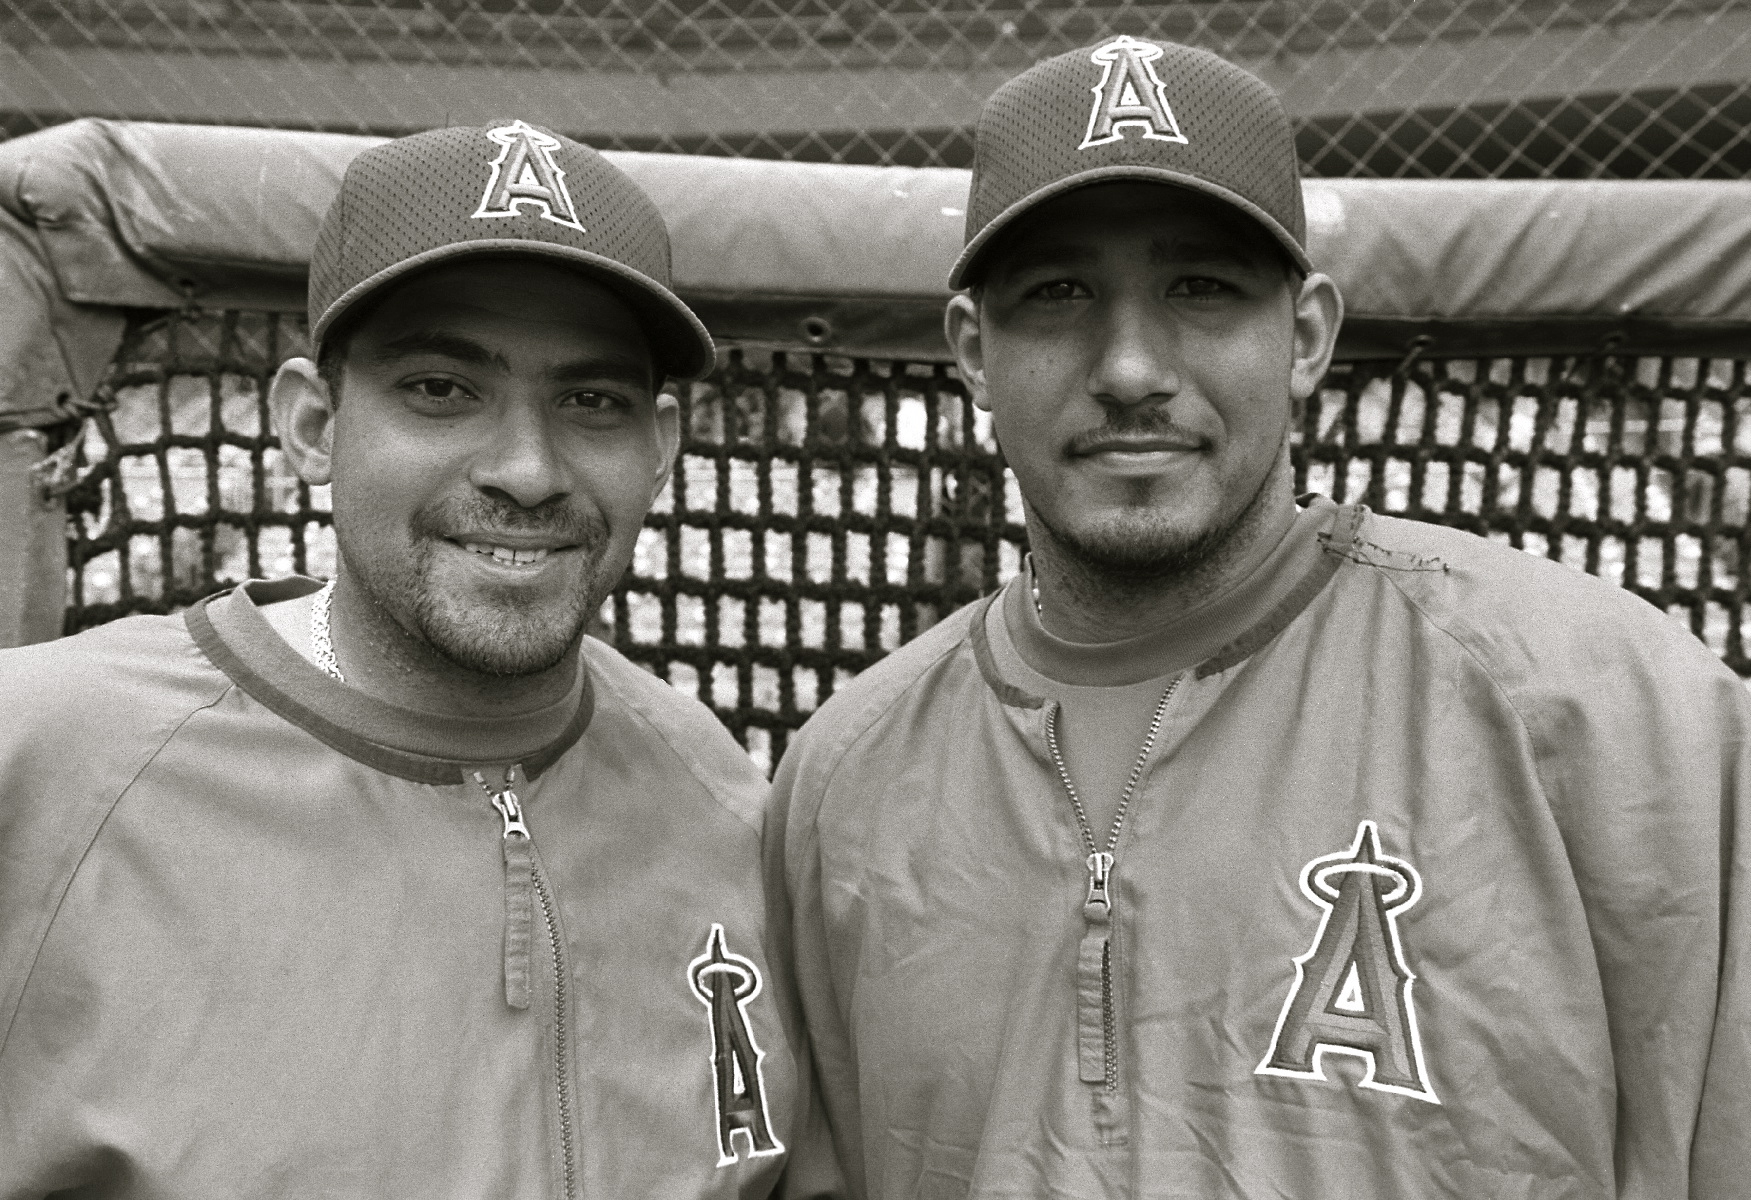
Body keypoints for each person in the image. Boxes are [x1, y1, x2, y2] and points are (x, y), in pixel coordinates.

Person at [766, 36, 1749, 1199]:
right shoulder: (842, 775)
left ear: (1307, 336)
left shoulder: (1614, 707)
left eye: (1201, 288)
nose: (1129, 365)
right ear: (974, 352)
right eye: (1057, 294)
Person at [0, 121, 822, 1197]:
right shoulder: (42, 761)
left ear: (658, 447)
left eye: (591, 401)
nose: (527, 470)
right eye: (440, 388)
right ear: (308, 424)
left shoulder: (724, 800)